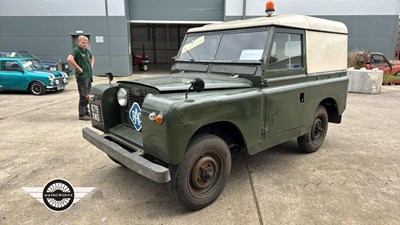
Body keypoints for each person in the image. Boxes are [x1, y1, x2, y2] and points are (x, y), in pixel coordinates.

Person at [67, 35, 95, 121]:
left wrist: (91, 66)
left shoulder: (86, 51)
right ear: (78, 42)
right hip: (82, 77)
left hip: (88, 76)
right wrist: (78, 68)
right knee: (83, 95)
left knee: (87, 95)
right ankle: (82, 114)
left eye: (86, 43)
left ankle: (86, 112)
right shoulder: (76, 51)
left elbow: (92, 58)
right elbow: (69, 58)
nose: (84, 44)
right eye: (83, 42)